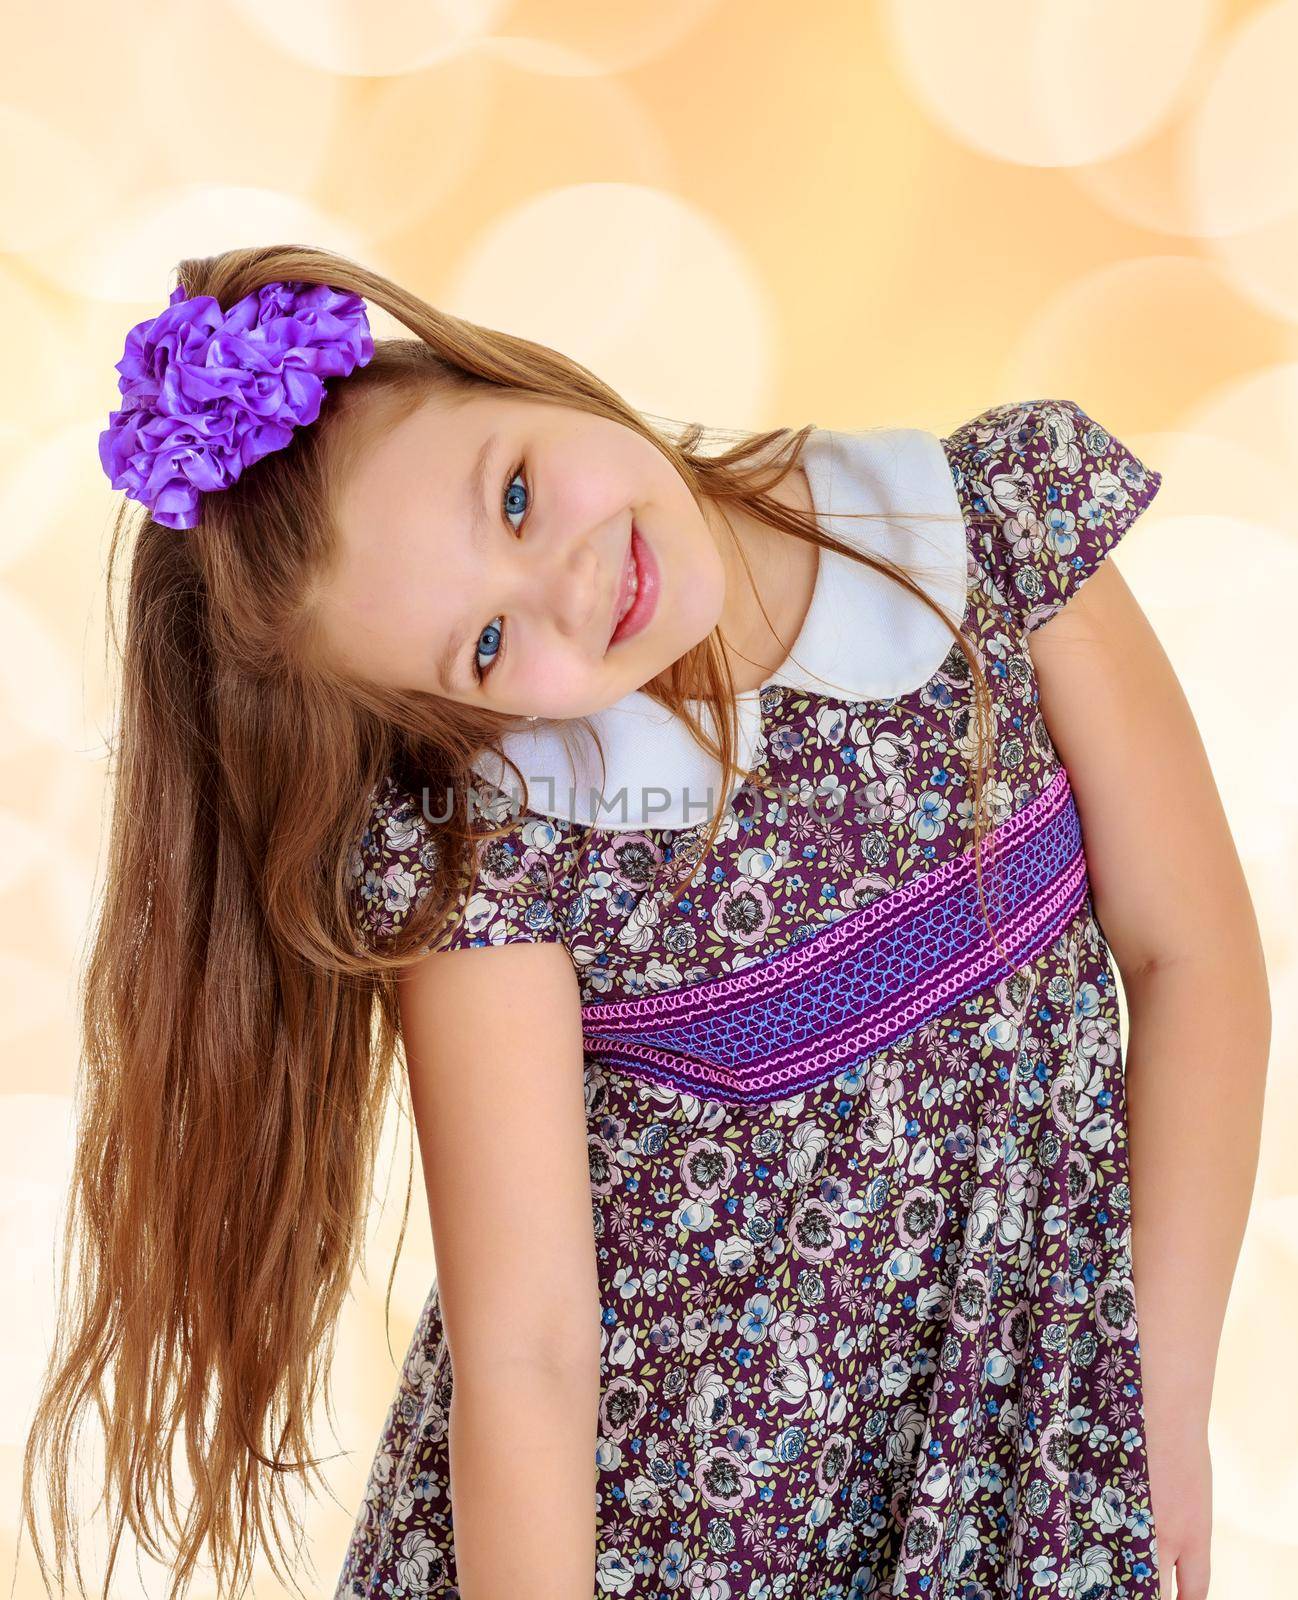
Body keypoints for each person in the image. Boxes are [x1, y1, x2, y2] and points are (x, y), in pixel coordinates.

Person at [19, 243, 1270, 1600]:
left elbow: (1192, 957)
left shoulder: (986, 532)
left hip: (1013, 1456)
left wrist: (1150, 1412)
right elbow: (530, 1352)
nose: (565, 589)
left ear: (508, 373)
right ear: (460, 718)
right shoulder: (496, 841)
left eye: (512, 495)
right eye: (489, 651)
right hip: (658, 1545)